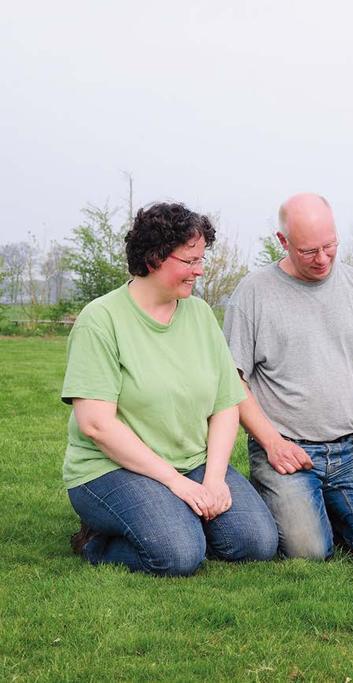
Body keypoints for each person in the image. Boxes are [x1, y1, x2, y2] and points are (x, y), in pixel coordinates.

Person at [62, 202, 278, 577]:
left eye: (201, 258)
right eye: (190, 260)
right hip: (111, 468)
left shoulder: (199, 314)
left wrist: (212, 479)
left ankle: (176, 521)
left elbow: (227, 403)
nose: (200, 270)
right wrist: (176, 484)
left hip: (192, 461)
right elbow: (96, 425)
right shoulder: (101, 320)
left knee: (256, 542)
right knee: (178, 555)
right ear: (153, 258)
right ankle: (95, 539)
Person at [223, 193, 353, 561]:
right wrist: (272, 443)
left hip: (351, 447)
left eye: (330, 246)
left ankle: (322, 509)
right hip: (284, 447)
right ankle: (296, 507)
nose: (322, 259)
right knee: (308, 552)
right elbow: (232, 381)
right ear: (283, 242)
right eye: (309, 251)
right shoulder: (253, 293)